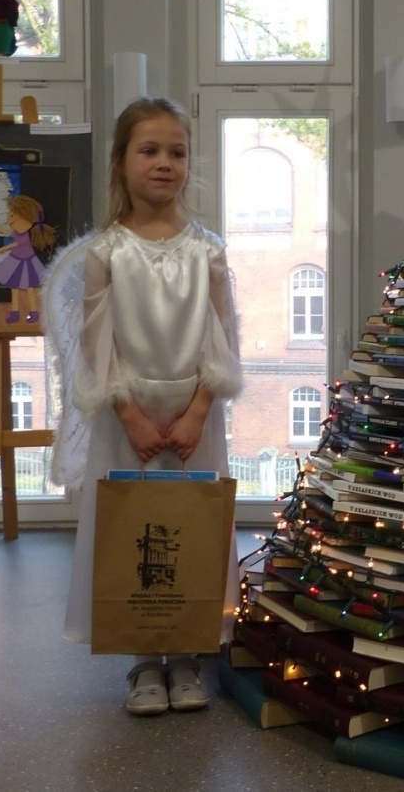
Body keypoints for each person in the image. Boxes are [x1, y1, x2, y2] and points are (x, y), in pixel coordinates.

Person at [43, 98, 241, 716]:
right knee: (135, 528)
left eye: (176, 152)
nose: (164, 164)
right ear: (121, 161)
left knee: (189, 525)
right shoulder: (107, 250)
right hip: (127, 417)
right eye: (149, 151)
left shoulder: (206, 250)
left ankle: (187, 655)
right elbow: (97, 344)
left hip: (192, 419)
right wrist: (127, 413)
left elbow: (222, 336)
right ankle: (141, 662)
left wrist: (198, 410)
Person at [0, 194, 56, 323]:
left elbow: (14, 244)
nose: (9, 219)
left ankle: (33, 312)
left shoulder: (25, 236)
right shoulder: (18, 233)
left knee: (28, 288)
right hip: (15, 260)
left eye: (12, 216)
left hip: (26, 263)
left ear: (23, 217)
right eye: (10, 215)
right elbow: (7, 232)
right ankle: (15, 312)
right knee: (15, 288)